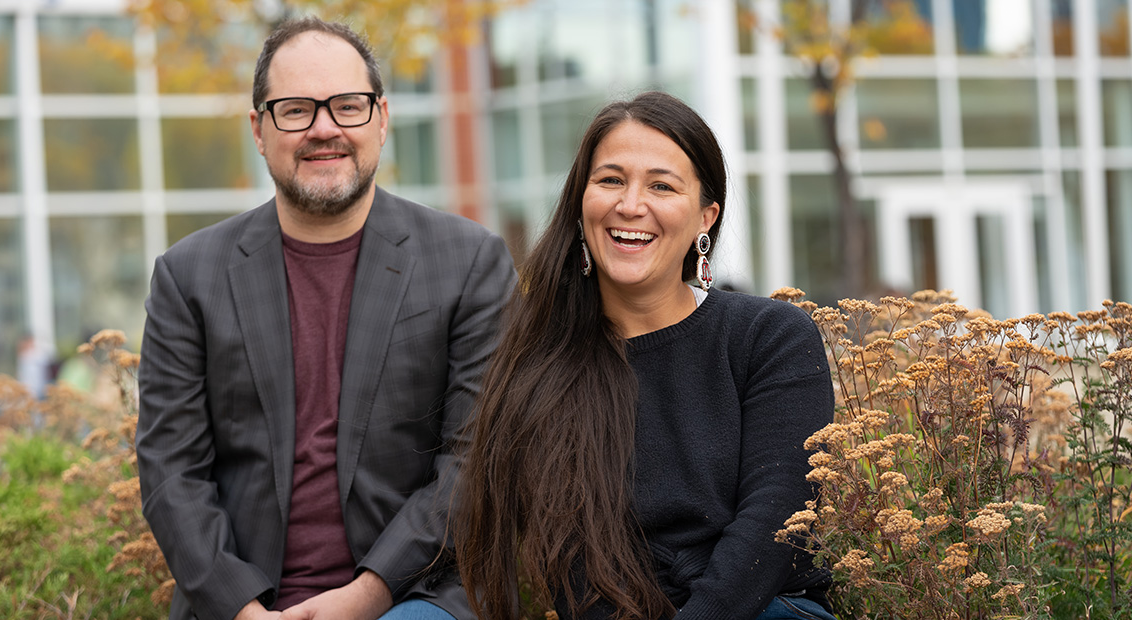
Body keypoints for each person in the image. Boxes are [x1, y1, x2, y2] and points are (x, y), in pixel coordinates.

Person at [136, 17, 515, 620]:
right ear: (259, 129)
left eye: (347, 106)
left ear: (382, 119)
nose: (324, 129)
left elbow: (475, 462)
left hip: (415, 595)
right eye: (295, 110)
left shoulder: (469, 262)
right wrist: (243, 608)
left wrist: (367, 595)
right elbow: (170, 471)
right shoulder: (189, 277)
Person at [453, 92, 836, 620]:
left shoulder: (770, 337)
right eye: (610, 180)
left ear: (706, 217)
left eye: (661, 185)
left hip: (761, 609)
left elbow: (776, 517)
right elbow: (571, 569)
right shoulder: (542, 363)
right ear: (580, 202)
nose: (631, 205)